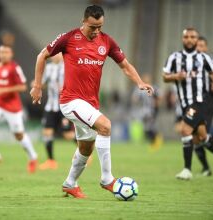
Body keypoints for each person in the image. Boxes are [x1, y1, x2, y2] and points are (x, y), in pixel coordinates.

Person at [30, 5, 154, 198]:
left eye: (100, 26)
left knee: (86, 148)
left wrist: (139, 82)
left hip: (90, 104)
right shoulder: (69, 38)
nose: (96, 31)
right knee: (105, 126)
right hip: (71, 101)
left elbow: (125, 66)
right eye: (93, 27)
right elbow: (42, 56)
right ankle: (107, 179)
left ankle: (70, 184)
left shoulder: (107, 41)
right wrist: (37, 86)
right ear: (84, 21)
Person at [163, 28, 213, 180]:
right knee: (202, 137)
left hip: (201, 101)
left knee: (185, 129)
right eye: (187, 36)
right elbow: (164, 76)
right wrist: (176, 76)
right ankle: (205, 168)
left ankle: (187, 170)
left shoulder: (205, 58)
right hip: (185, 103)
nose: (190, 39)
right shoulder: (175, 57)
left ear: (197, 39)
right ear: (183, 39)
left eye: (193, 37)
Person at [0, 45, 38, 173]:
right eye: (1, 52)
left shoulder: (14, 68)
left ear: (11, 54)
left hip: (12, 106)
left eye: (6, 52)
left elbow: (22, 87)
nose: (3, 54)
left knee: (19, 135)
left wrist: (3, 90)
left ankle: (33, 157)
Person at [39, 52, 75, 170]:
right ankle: (51, 161)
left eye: (57, 54)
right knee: (47, 133)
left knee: (67, 134)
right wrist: (37, 85)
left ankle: (86, 152)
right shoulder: (48, 68)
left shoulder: (68, 67)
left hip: (64, 106)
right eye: (53, 54)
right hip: (50, 106)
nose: (55, 56)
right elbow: (43, 83)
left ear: (62, 55)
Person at [192, 36, 213, 176]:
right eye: (197, 46)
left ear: (206, 48)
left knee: (201, 134)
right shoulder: (192, 62)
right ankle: (206, 168)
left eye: (202, 46)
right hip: (195, 101)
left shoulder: (211, 61)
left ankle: (206, 168)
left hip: (208, 102)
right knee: (195, 136)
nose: (199, 48)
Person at [131, 74, 163, 151]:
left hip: (151, 110)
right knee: (146, 128)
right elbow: (134, 98)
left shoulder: (154, 87)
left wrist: (157, 104)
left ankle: (156, 140)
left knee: (150, 126)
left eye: (147, 78)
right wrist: (136, 100)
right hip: (143, 111)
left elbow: (160, 97)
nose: (146, 80)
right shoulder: (140, 88)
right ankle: (155, 140)